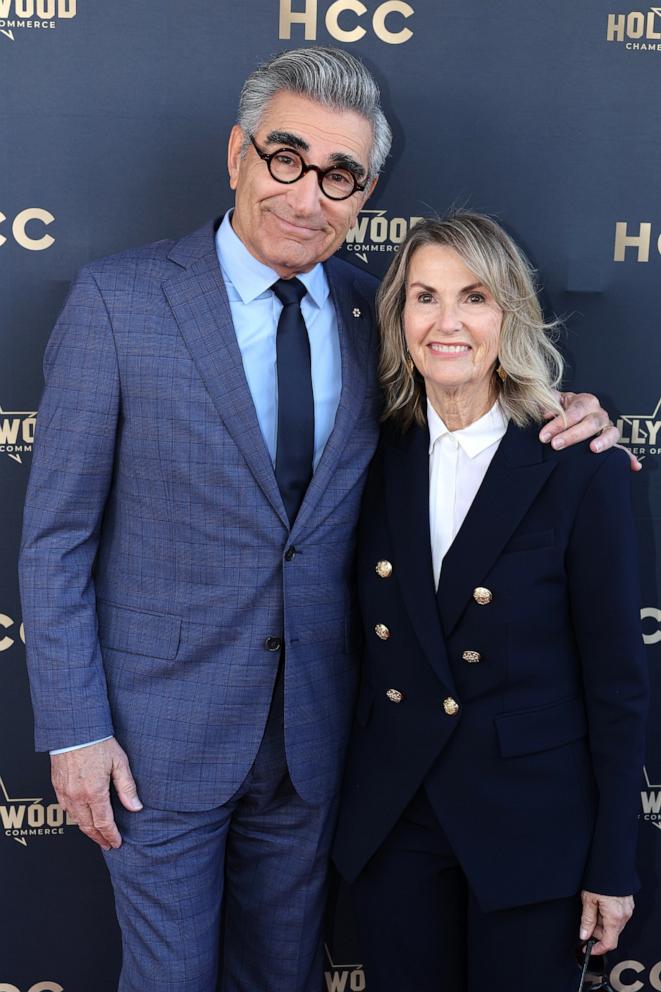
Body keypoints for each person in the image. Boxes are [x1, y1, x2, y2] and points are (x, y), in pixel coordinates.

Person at [19, 47, 624, 992]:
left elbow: (468, 388)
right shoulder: (119, 302)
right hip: (156, 745)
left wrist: (573, 417)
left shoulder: (369, 309)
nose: (305, 196)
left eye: (336, 175)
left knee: (284, 979)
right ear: (237, 155)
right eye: (285, 158)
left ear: (363, 191)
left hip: (318, 745)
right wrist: (73, 730)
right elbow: (55, 538)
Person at [332, 212, 649, 992]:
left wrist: (613, 862)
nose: (446, 323)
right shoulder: (364, 454)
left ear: (508, 312)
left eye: (472, 298)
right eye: (422, 297)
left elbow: (617, 687)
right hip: (396, 823)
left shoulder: (578, 466)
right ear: (397, 316)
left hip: (531, 830)